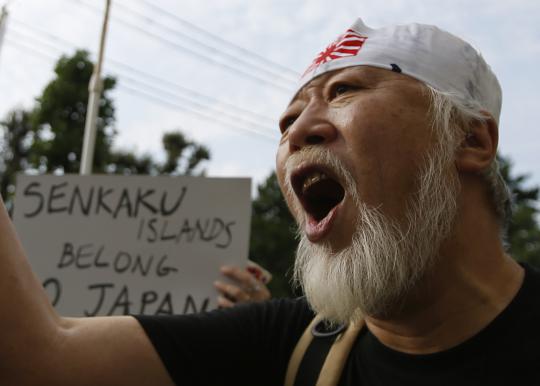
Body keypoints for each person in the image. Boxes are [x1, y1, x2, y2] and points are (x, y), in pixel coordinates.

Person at [1, 18, 538, 386]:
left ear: (470, 141)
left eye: (346, 90)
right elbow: (40, 359)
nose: (298, 131)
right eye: (286, 121)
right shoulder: (286, 345)